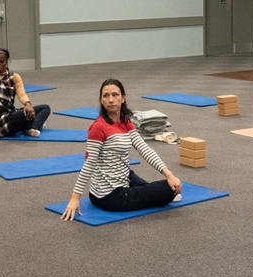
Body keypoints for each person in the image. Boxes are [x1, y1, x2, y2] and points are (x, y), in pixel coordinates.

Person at [62, 78, 182, 221]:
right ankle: (154, 195)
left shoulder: (125, 122)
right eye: (106, 96)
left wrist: (169, 174)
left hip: (124, 176)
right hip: (110, 196)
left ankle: (150, 193)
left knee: (165, 183)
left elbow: (144, 149)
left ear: (123, 98)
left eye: (115, 95)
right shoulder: (98, 127)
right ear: (101, 100)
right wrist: (75, 198)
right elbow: (89, 163)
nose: (111, 100)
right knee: (169, 190)